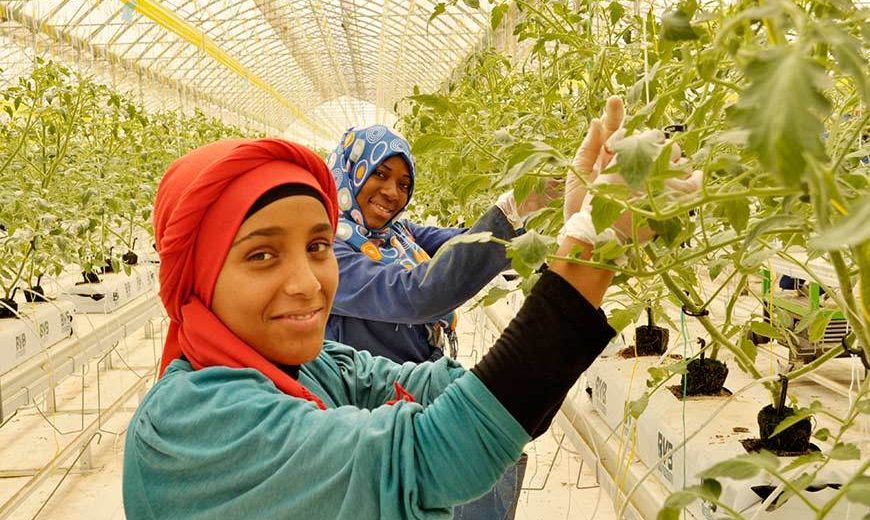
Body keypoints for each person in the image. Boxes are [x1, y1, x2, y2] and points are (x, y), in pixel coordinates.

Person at [123, 98, 695, 519]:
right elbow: (426, 456)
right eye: (262, 254)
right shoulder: (191, 427)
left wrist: (551, 222)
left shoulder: (315, 364)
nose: (307, 283)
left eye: (317, 245)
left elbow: (450, 391)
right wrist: (588, 252)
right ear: (196, 275)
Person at [324, 125, 554, 363]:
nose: (393, 193)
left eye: (404, 185)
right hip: (370, 395)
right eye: (380, 174)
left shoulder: (397, 233)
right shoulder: (325, 251)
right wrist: (508, 211)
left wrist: (536, 221)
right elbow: (415, 294)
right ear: (351, 171)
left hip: (416, 379)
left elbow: (467, 241)